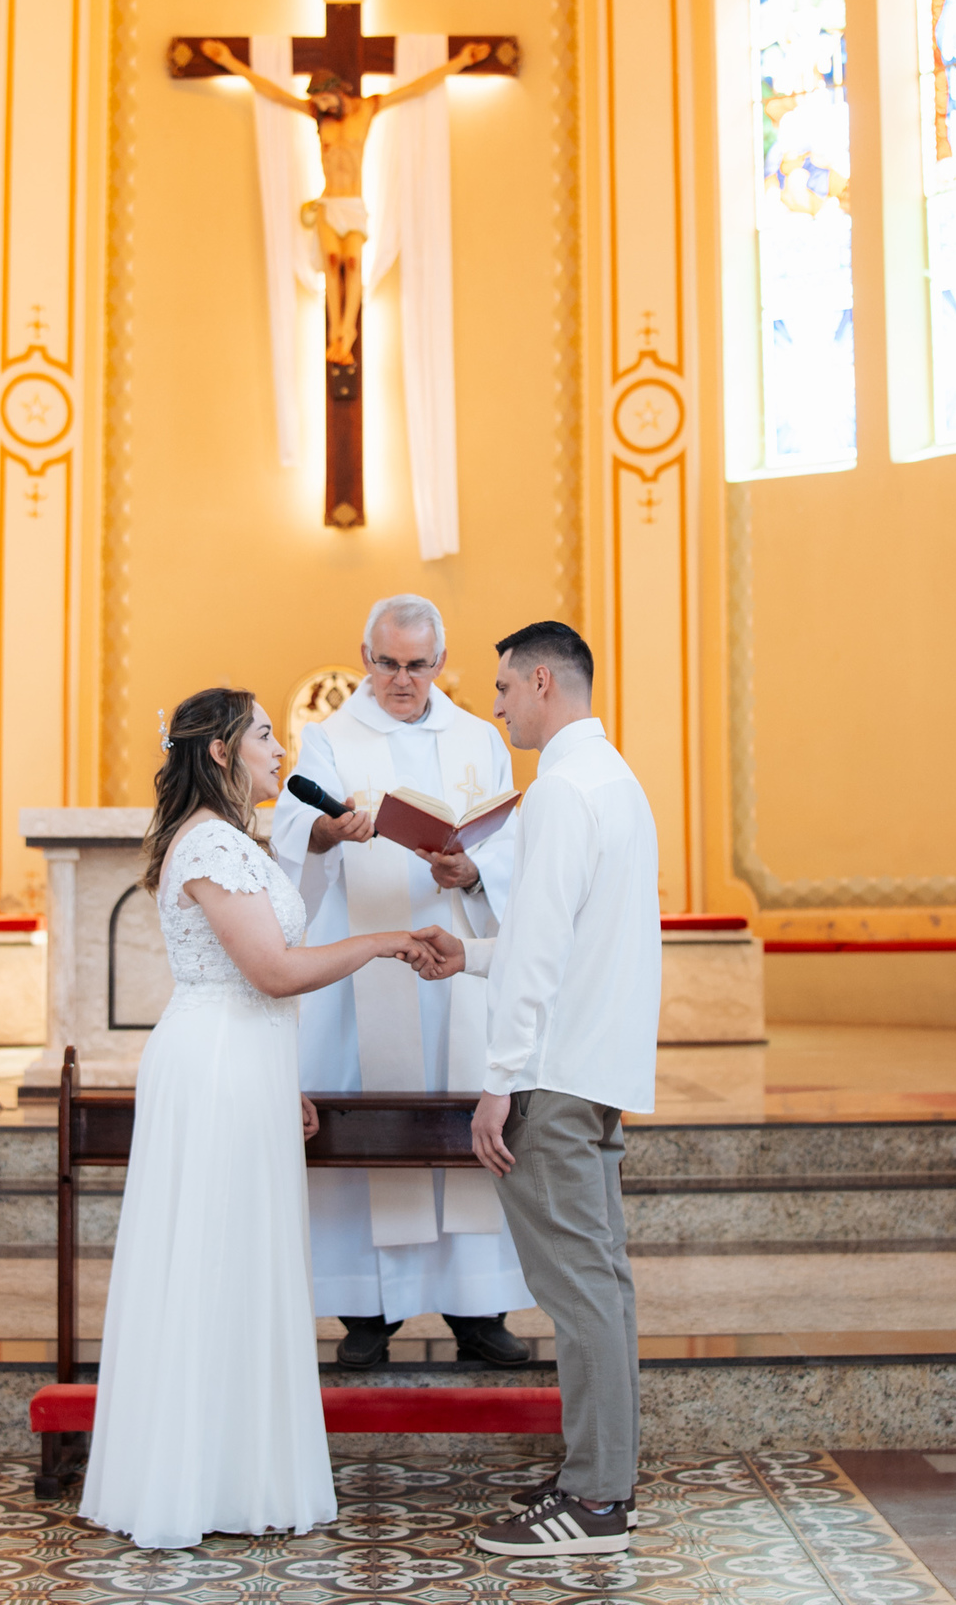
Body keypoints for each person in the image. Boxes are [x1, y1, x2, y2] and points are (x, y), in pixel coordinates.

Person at [79, 687, 424, 1549]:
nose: (281, 749)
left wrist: (285, 1081)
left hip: (245, 1062)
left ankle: (235, 1474)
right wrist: (381, 941)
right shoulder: (209, 842)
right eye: (266, 735)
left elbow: (254, 985)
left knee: (240, 1261)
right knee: (213, 1261)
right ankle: (194, 1484)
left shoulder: (231, 839)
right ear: (222, 751)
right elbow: (270, 972)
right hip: (216, 1068)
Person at [414, 622, 661, 1557]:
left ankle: (595, 1500)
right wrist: (472, 955)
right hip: (594, 1070)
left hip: (550, 1076)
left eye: (505, 688)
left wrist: (498, 1082)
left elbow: (547, 947)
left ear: (545, 680)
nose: (498, 706)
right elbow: (566, 938)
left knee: (580, 1293)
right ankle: (602, 1479)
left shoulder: (560, 789)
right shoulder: (616, 780)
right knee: (604, 1285)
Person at [271, 595, 533, 1369]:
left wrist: (472, 868)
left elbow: (511, 840)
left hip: (458, 967)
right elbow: (294, 829)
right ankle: (367, 1311)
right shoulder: (329, 738)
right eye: (387, 663)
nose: (402, 679)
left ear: (440, 663)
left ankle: (477, 1307)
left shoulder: (480, 738)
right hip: (366, 970)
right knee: (371, 1126)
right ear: (365, 657)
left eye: (418, 665)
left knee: (464, 1121)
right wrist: (330, 830)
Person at [201, 41, 488, 364]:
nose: (322, 106)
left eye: (325, 99)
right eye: (318, 102)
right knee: (331, 260)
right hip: (329, 202)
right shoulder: (318, 116)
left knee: (352, 262)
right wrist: (229, 61)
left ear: (337, 91)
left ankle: (347, 332)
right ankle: (334, 333)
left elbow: (415, 88)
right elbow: (274, 93)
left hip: (352, 203)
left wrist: (460, 61)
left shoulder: (367, 109)